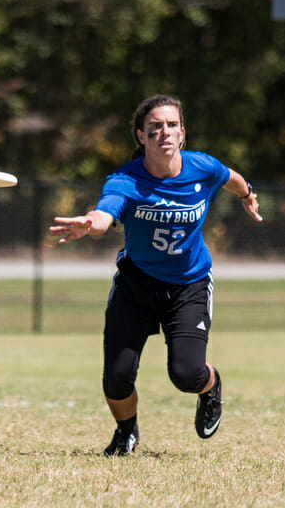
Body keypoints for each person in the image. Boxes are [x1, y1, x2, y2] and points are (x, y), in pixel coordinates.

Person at [49, 94, 263, 456]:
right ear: (141, 137)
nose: (164, 132)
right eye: (155, 127)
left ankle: (211, 388)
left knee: (186, 375)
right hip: (137, 283)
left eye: (172, 125)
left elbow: (231, 178)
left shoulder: (203, 168)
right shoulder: (125, 180)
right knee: (116, 378)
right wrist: (90, 223)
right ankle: (126, 431)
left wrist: (248, 194)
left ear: (182, 133)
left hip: (189, 285)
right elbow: (105, 213)